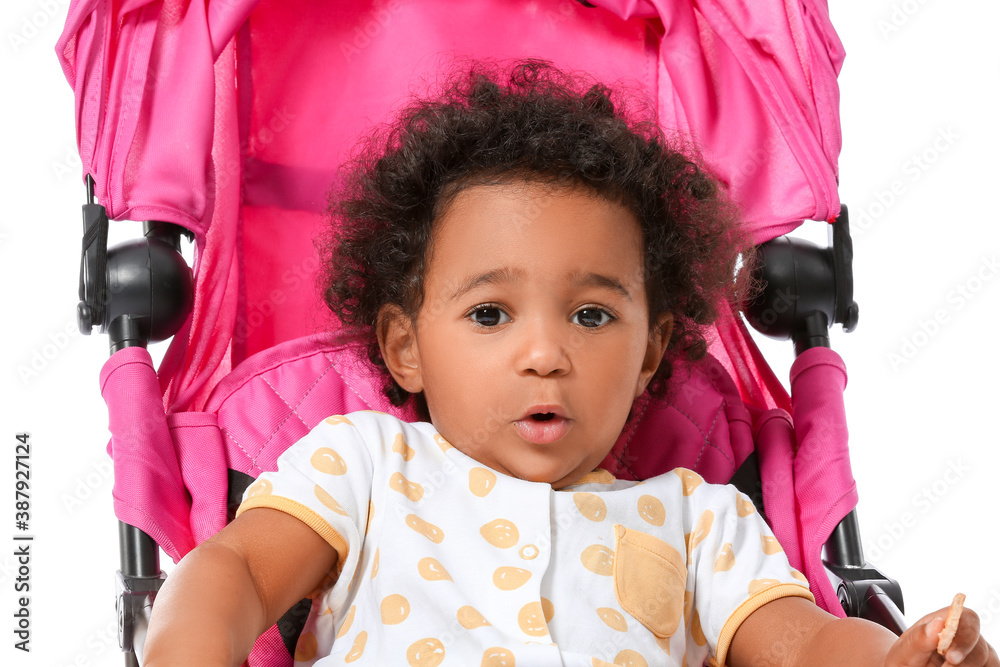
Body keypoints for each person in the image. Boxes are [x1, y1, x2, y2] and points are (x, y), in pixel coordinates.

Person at [144, 61, 997, 667]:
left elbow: (804, 640)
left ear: (652, 348)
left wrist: (893, 656)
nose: (546, 353)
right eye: (489, 314)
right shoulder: (365, 465)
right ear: (405, 345)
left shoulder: (698, 519)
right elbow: (239, 570)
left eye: (592, 315)